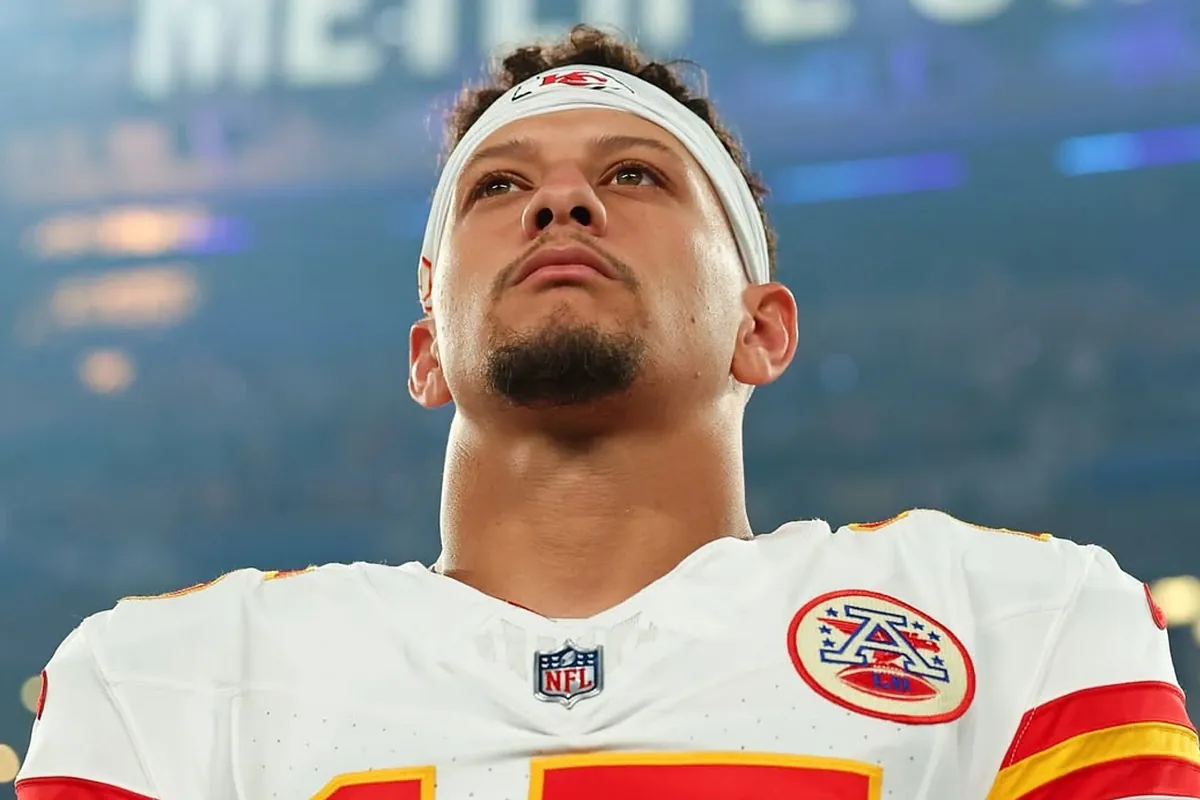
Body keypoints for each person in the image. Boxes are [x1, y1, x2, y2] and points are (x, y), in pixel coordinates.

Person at [16, 25, 1199, 800]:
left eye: (633, 175)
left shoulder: (1014, 634)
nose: (562, 202)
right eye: (499, 187)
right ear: (428, 353)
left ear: (762, 327)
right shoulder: (169, 683)